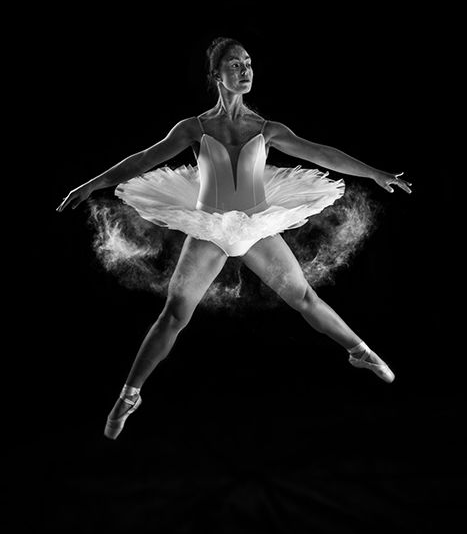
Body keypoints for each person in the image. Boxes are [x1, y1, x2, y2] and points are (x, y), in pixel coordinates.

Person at [57, 36, 412, 440]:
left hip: (256, 225)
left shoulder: (267, 129)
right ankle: (129, 394)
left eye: (248, 64)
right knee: (174, 314)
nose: (245, 71)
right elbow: (142, 159)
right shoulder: (194, 127)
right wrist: (92, 183)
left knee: (305, 298)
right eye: (236, 65)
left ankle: (359, 352)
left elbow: (322, 153)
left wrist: (374, 172)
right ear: (216, 75)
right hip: (211, 226)